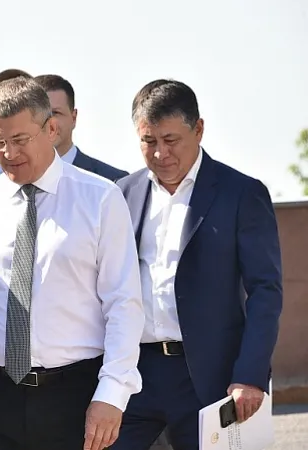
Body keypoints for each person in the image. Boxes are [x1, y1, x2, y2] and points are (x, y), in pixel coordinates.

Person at [0, 76, 145, 450]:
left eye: (19, 140)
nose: (8, 153)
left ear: (51, 129)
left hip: (74, 398)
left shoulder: (100, 199)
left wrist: (112, 393)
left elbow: (123, 305)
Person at [112, 79, 283, 449]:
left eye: (171, 140)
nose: (160, 153)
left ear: (199, 129)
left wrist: (250, 374)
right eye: (148, 141)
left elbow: (265, 292)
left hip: (209, 378)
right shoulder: (121, 194)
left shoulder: (241, 193)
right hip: (134, 377)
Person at [0, 73, 129, 181]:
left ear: (74, 118)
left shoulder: (112, 180)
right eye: (39, 115)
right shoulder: (2, 175)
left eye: (55, 113)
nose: (49, 122)